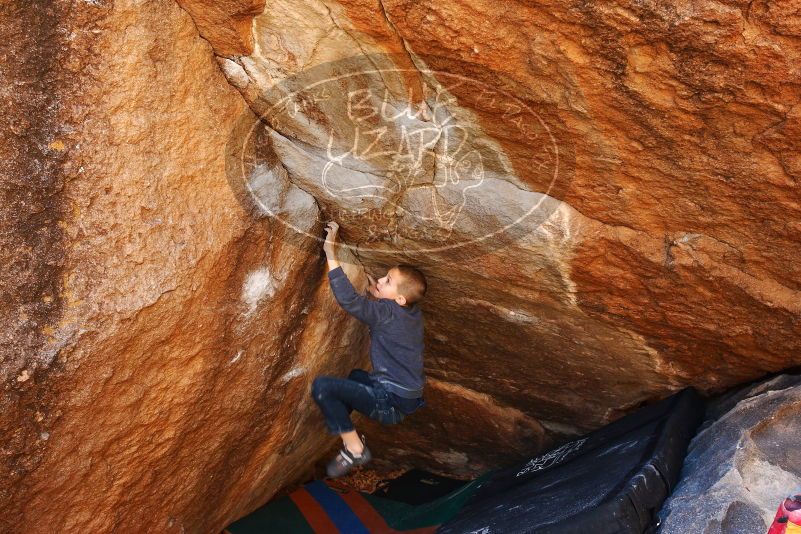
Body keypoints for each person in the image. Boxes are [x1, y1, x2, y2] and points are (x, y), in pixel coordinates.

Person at [311, 221, 428, 478]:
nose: (381, 281)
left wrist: (331, 253)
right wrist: (381, 293)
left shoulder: (386, 313)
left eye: (387, 281)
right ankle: (343, 425)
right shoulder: (411, 312)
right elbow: (390, 313)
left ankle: (355, 449)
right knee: (354, 377)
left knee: (322, 387)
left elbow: (350, 301)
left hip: (389, 401)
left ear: (399, 299)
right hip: (402, 399)